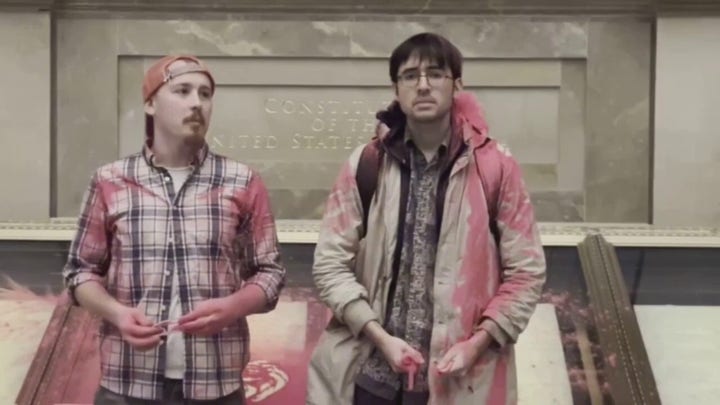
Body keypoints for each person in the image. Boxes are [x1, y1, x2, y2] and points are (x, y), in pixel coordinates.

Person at [307, 32, 546, 405]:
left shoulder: (496, 167)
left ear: (457, 85)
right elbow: (329, 264)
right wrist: (378, 336)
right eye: (409, 76)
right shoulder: (366, 164)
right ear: (396, 88)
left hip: (459, 377)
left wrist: (477, 343)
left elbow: (526, 272)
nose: (422, 85)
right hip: (370, 375)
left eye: (435, 74)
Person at [62, 55, 286, 404]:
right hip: (127, 382)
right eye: (182, 91)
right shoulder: (110, 180)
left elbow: (269, 274)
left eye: (205, 94)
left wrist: (233, 306)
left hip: (216, 384)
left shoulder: (243, 181)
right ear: (150, 103)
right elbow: (80, 272)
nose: (196, 102)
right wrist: (118, 314)